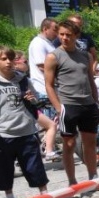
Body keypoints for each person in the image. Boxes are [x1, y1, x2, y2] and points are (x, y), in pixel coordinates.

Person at [43, 20, 99, 197]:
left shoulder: (85, 56)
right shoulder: (53, 57)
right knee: (69, 144)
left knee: (90, 143)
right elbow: (48, 85)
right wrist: (59, 108)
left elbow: (90, 79)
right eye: (61, 34)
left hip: (88, 104)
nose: (64, 38)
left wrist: (95, 101)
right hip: (68, 105)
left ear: (76, 36)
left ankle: (93, 178)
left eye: (68, 35)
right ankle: (72, 183)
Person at [0, 45, 59, 198]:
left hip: (26, 130)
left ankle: (45, 196)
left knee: (35, 167)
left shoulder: (23, 80)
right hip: (3, 133)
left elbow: (36, 102)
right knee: (4, 169)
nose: (8, 62)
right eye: (3, 59)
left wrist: (32, 99)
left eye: (11, 59)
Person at [26, 18, 60, 161]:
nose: (57, 33)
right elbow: (42, 66)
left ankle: (48, 147)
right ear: (45, 29)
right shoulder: (38, 43)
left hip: (50, 87)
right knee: (49, 123)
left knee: (52, 122)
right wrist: (61, 76)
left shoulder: (47, 43)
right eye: (54, 29)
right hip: (43, 88)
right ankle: (46, 150)